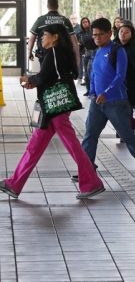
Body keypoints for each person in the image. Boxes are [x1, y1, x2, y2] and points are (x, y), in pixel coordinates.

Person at [0, 24, 105, 200]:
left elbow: (51, 75)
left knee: (72, 146)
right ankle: (15, 183)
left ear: (55, 37)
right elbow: (53, 76)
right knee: (34, 148)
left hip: (57, 107)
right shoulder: (55, 52)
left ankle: (92, 183)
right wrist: (35, 81)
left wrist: (31, 79)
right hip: (51, 108)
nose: (41, 38)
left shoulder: (55, 52)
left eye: (45, 35)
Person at [77, 18, 135, 180]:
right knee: (90, 134)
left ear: (109, 34)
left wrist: (106, 92)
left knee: (126, 134)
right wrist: (92, 92)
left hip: (116, 102)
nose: (97, 38)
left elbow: (120, 76)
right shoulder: (97, 52)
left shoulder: (117, 51)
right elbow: (94, 74)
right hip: (97, 102)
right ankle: (86, 167)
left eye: (100, 35)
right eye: (94, 35)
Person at [28, 0, 80, 67]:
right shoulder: (65, 21)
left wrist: (29, 52)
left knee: (45, 74)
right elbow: (74, 41)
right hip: (63, 55)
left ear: (47, 6)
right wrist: (77, 58)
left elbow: (32, 38)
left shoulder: (40, 20)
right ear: (57, 6)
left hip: (44, 54)